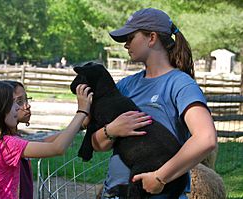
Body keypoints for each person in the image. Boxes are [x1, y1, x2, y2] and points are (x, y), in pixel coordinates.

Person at [91, 8, 217, 198]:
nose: (126, 45)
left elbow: (206, 138)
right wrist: (112, 130)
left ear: (151, 38)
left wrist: (160, 178)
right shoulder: (126, 86)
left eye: (130, 37)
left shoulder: (180, 84)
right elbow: (98, 145)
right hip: (115, 193)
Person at [0, 80, 92, 199]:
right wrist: (82, 111)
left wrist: (79, 125)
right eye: (13, 103)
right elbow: (57, 148)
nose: (18, 107)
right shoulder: (6, 144)